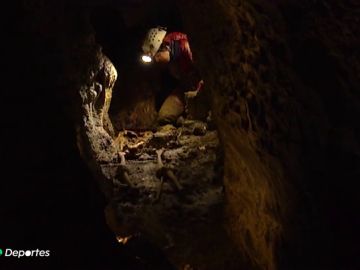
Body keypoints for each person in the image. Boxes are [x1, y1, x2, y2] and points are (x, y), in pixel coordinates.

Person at [142, 26, 204, 125]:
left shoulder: (185, 46)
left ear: (164, 47)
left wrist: (199, 91)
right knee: (164, 116)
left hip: (202, 88)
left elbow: (206, 71)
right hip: (185, 88)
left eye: (156, 57)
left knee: (198, 114)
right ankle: (183, 121)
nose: (156, 61)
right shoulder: (171, 58)